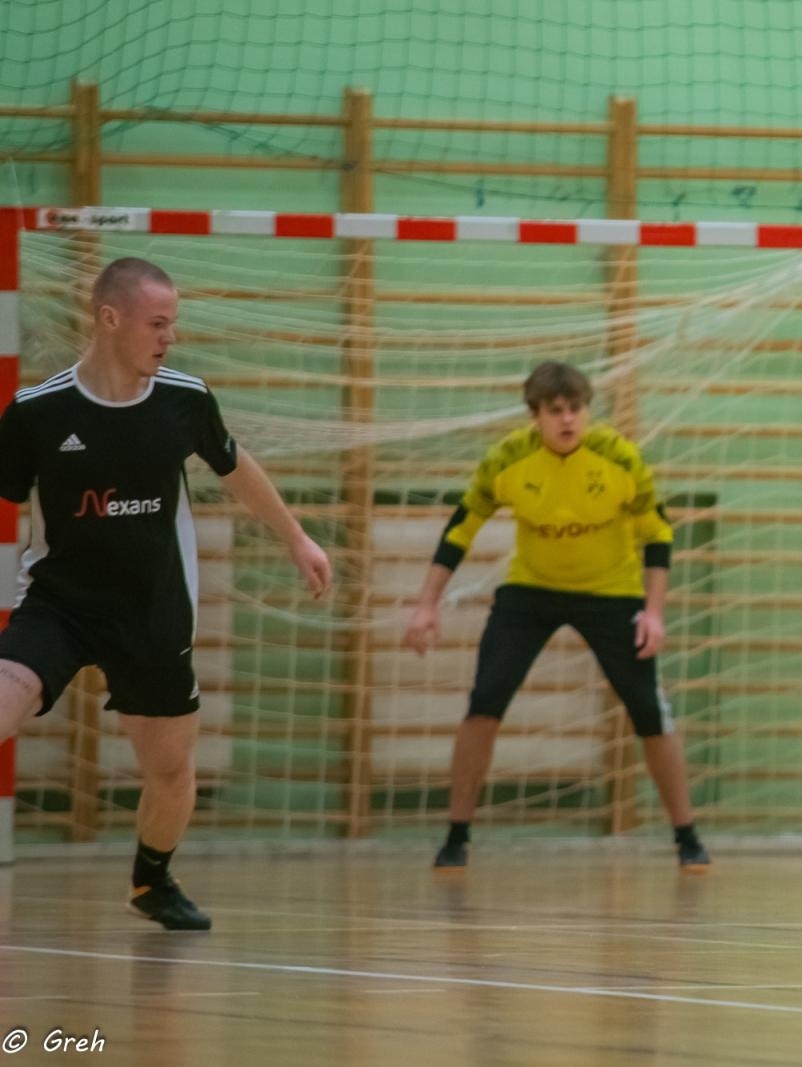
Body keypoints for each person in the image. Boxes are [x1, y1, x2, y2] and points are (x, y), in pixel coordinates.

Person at [0, 257, 332, 930]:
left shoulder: (184, 399)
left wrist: (297, 538)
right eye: (158, 323)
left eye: (173, 323)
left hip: (153, 610)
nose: (169, 337)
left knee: (173, 771)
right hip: (61, 602)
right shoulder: (38, 412)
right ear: (110, 318)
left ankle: (152, 882)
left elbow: (236, 468)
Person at [404, 360, 709, 872]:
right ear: (536, 415)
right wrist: (427, 603)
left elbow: (658, 534)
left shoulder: (619, 457)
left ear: (588, 411)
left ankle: (687, 836)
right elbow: (461, 528)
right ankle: (456, 837)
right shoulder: (507, 459)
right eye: (556, 410)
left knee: (649, 711)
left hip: (612, 593)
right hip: (532, 591)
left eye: (577, 409)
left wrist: (653, 614)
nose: (568, 420)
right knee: (485, 701)